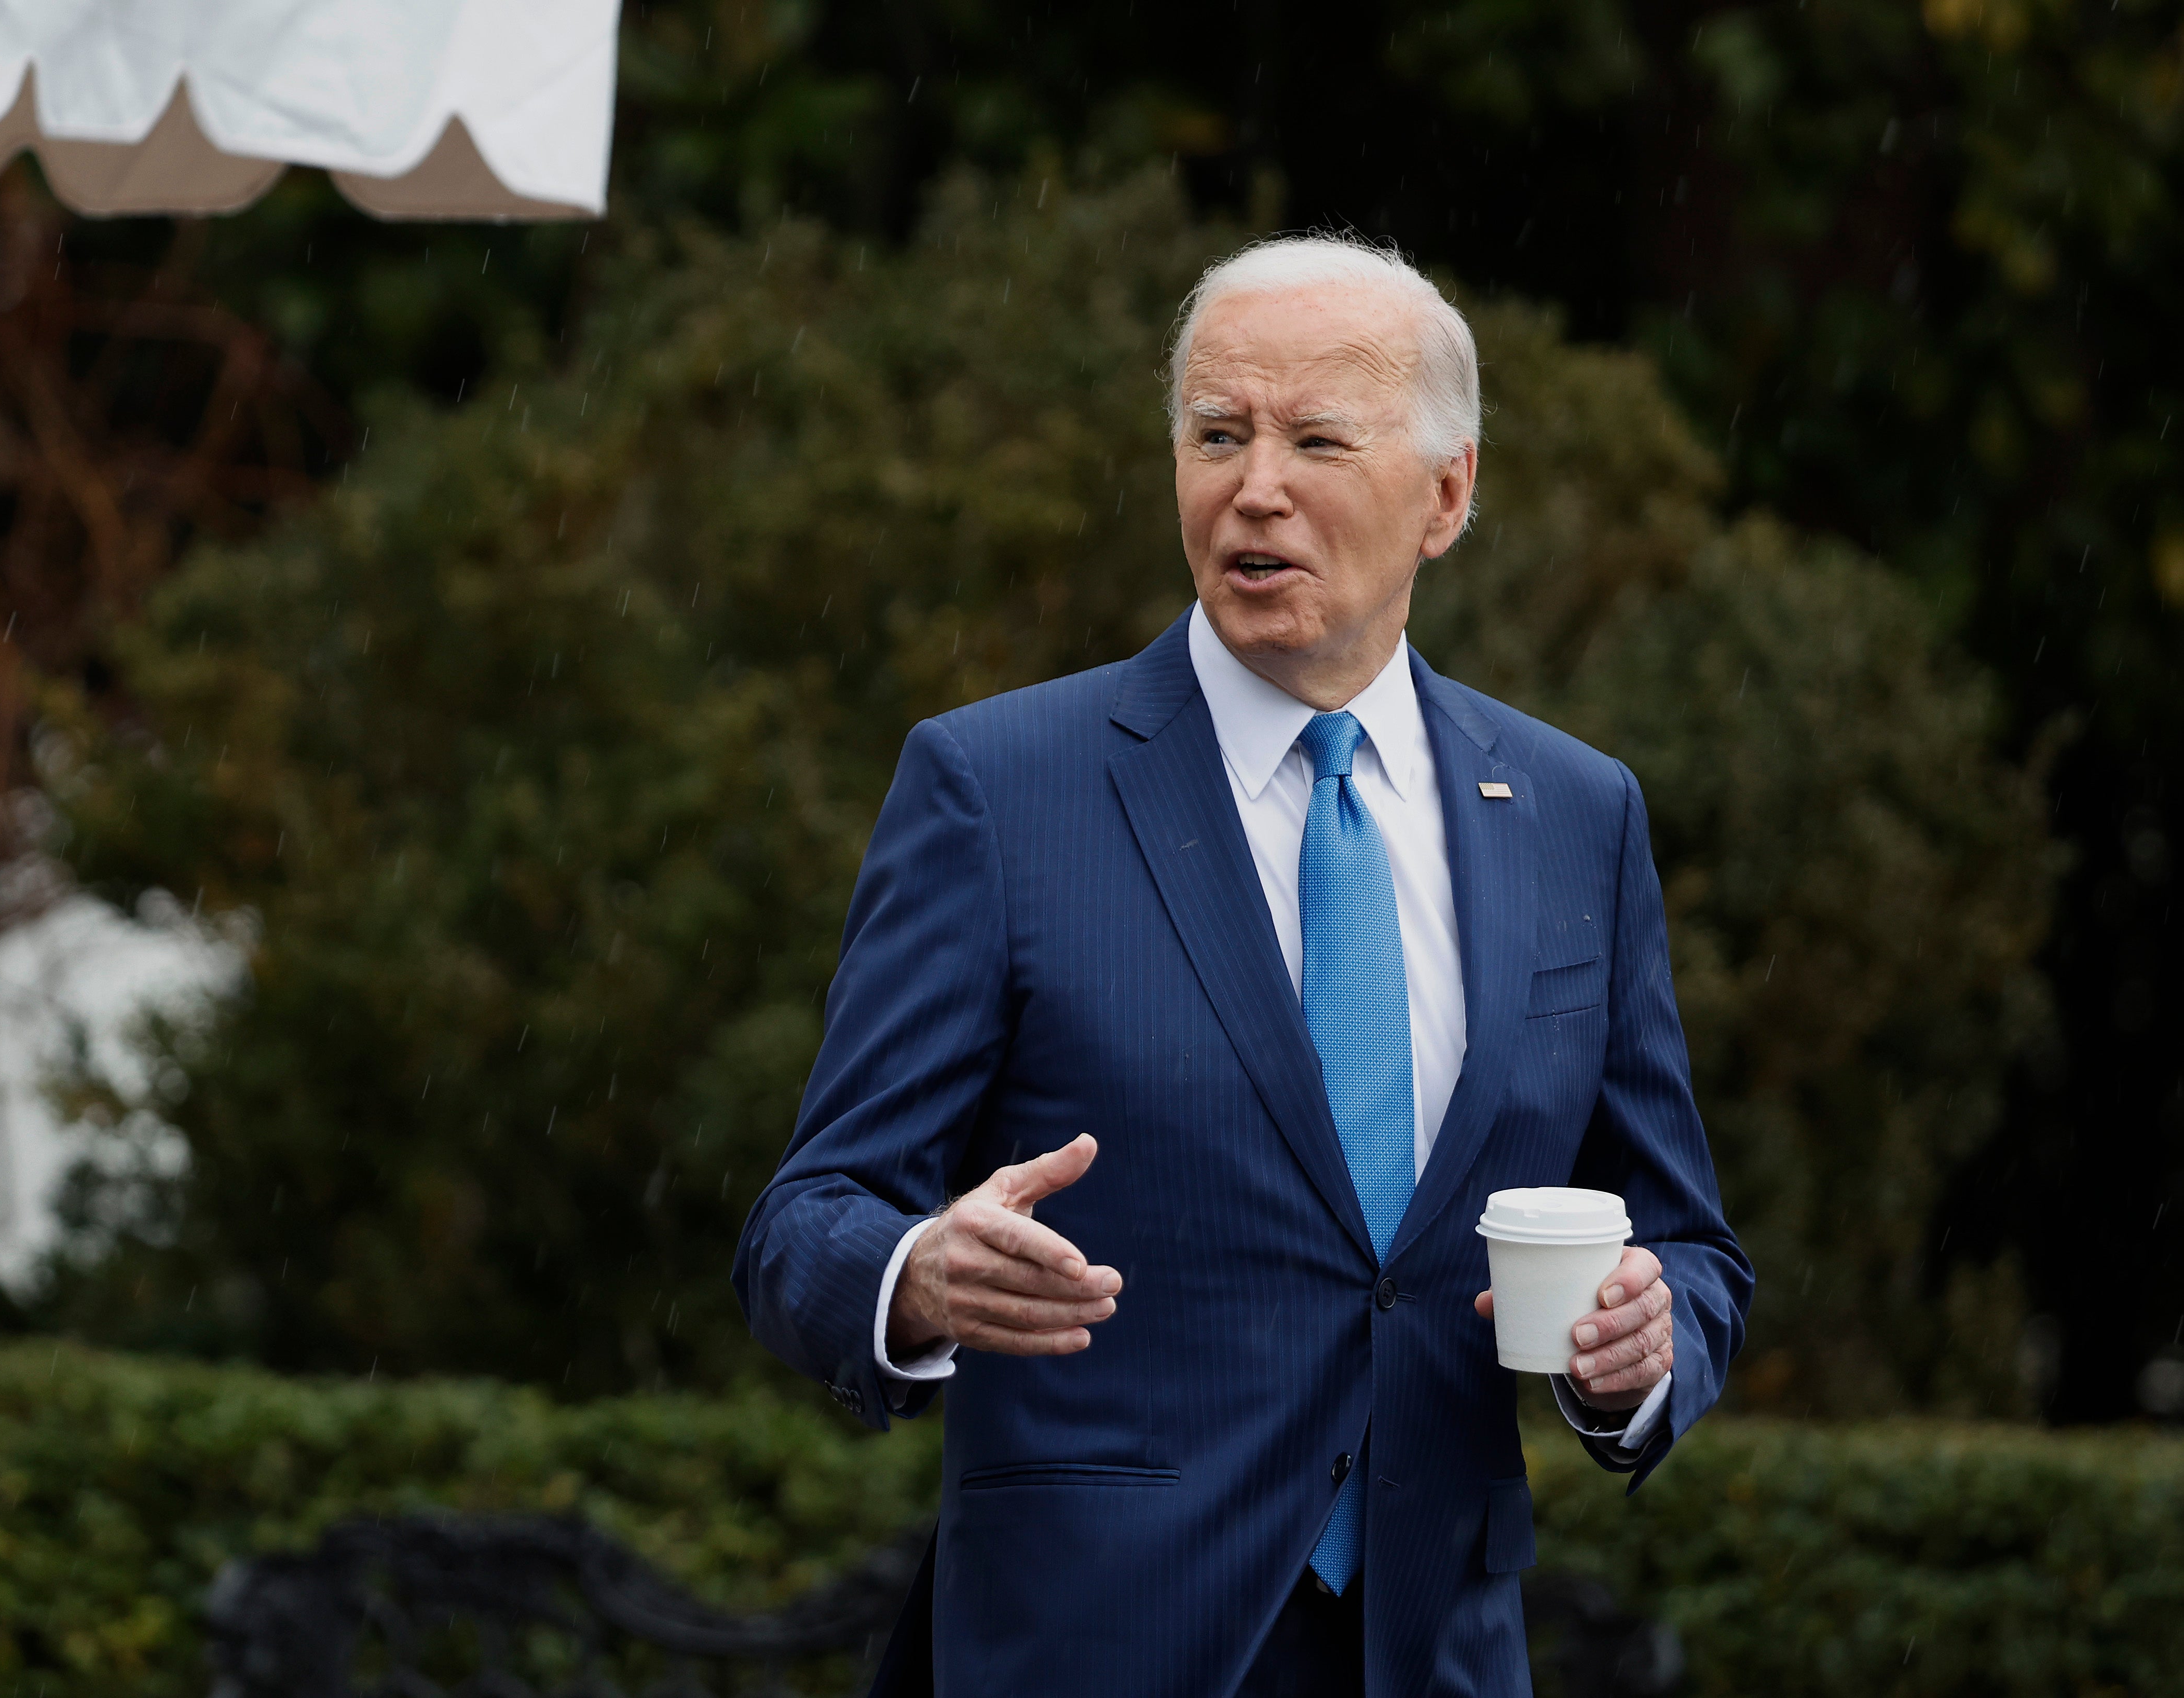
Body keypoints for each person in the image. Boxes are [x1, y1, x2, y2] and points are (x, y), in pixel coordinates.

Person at [732, 234, 1753, 1697]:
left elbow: (1689, 1247)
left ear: (1445, 496)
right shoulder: (997, 791)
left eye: (1316, 441)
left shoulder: (1576, 815)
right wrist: (915, 1276)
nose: (1254, 487)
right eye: (1217, 436)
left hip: (1439, 1647)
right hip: (1096, 1647)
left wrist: (1644, 1353)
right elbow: (803, 1225)